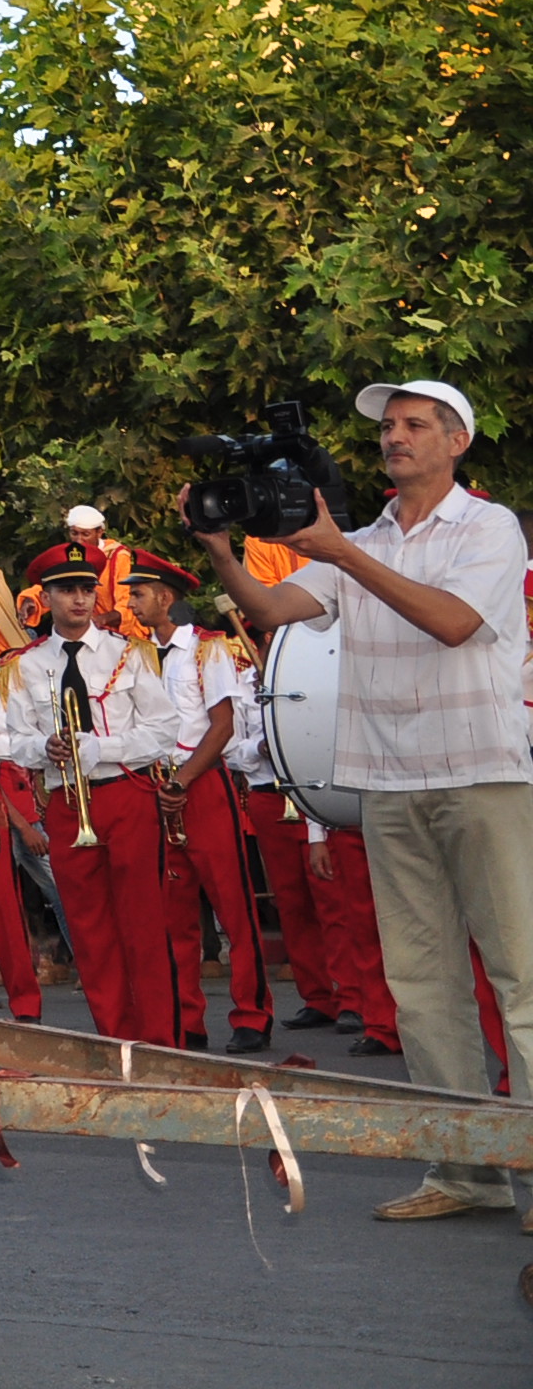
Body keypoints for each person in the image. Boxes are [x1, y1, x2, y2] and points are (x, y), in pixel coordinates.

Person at [194, 378, 533, 1223]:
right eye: (388, 427)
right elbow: (274, 609)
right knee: (422, 987)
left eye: (415, 424)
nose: (395, 438)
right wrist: (220, 549)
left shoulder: (488, 529)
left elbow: (452, 622)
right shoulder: (364, 537)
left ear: (458, 442)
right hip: (387, 782)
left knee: (520, 977)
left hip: (480, 774)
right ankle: (465, 1173)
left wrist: (344, 554)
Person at [0, 540, 184, 1047]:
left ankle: (162, 1044)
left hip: (126, 794)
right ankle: (116, 1043)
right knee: (91, 932)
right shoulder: (27, 664)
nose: (79, 599)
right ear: (47, 595)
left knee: (143, 925)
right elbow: (9, 741)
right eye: (66, 590)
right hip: (65, 804)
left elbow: (165, 728)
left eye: (86, 589)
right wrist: (44, 745)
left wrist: (99, 747)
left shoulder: (130, 655)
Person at [125, 553, 277, 1052]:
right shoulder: (138, 654)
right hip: (157, 787)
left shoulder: (208, 650)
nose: (131, 602)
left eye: (139, 593)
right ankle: (186, 1018)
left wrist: (183, 781)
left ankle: (251, 1014)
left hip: (203, 786)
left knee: (234, 909)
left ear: (166, 597)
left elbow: (224, 724)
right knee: (174, 915)